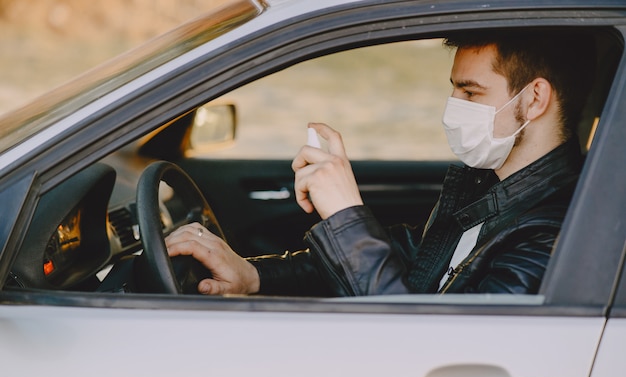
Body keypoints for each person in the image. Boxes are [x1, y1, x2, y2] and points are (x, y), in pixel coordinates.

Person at [165, 29, 596, 296]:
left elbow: (428, 349)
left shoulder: (556, 233)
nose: (452, 107)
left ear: (535, 98)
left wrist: (346, 215)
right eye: (453, 91)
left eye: (470, 93)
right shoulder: (486, 191)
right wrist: (252, 276)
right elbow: (408, 261)